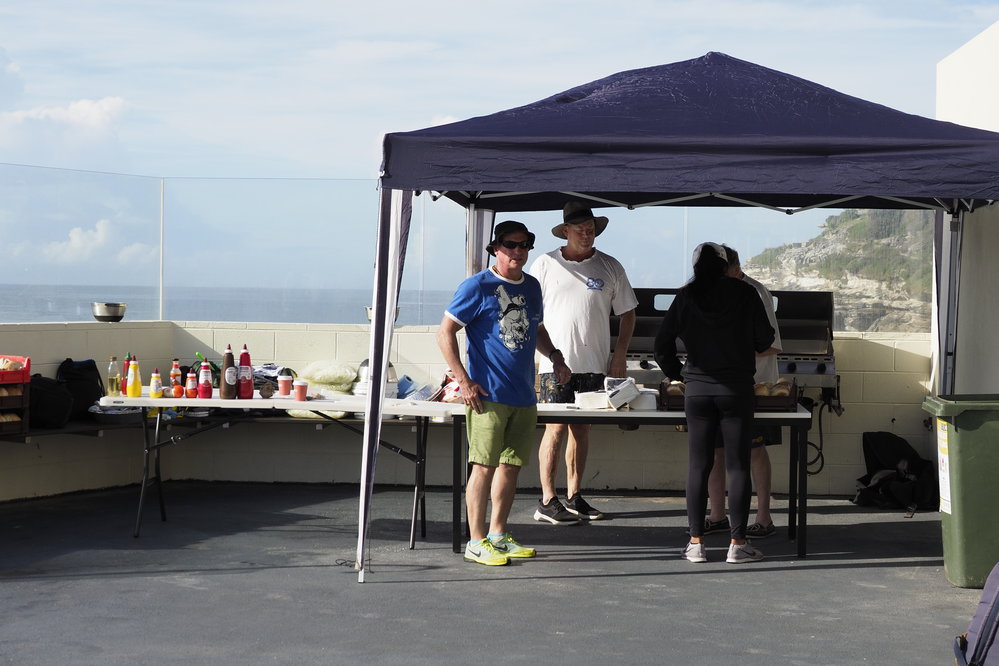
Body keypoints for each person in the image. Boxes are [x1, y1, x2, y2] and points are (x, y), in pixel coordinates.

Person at [437, 220, 571, 566]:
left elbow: (537, 328)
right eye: (510, 245)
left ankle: (497, 534)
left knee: (510, 466)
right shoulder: (477, 286)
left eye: (525, 245)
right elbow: (446, 332)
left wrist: (555, 356)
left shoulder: (533, 287)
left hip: (524, 395)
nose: (518, 251)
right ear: (495, 249)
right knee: (482, 466)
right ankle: (475, 540)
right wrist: (463, 381)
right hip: (487, 396)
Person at [654, 242, 774, 564]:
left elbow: (661, 345)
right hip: (736, 389)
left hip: (698, 390)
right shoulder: (745, 294)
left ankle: (696, 543)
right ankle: (738, 543)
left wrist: (680, 374)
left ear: (696, 268)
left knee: (698, 464)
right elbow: (765, 340)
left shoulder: (686, 296)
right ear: (724, 266)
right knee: (737, 465)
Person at [529, 201, 638, 524]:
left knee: (582, 430)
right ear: (566, 231)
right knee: (555, 428)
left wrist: (619, 355)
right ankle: (547, 498)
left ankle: (575, 495)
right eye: (581, 230)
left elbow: (628, 314)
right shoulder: (545, 264)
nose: (587, 235)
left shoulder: (610, 266)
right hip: (553, 364)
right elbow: (532, 315)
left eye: (591, 230)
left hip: (594, 363)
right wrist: (550, 354)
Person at [702, 246, 784, 539]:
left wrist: (727, 352)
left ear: (736, 269)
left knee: (753, 450)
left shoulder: (755, 293)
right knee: (715, 450)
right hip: (720, 385)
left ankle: (763, 517)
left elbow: (771, 345)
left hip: (755, 385)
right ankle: (716, 514)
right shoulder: (713, 290)